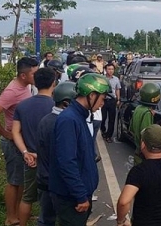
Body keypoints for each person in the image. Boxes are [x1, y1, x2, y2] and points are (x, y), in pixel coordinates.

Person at [48, 73, 111, 226]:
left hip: (77, 194)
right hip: (71, 198)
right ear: (92, 95)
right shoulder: (69, 120)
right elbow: (67, 162)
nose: (102, 103)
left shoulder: (80, 116)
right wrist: (80, 195)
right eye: (102, 98)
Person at [0, 57, 38, 226]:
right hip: (13, 142)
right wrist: (6, 134)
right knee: (14, 181)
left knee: (21, 180)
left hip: (21, 140)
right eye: (33, 73)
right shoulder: (12, 91)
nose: (36, 76)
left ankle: (18, 215)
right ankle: (10, 217)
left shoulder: (25, 86)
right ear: (23, 75)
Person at [12, 68, 56, 226]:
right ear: (54, 83)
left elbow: (15, 132)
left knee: (27, 198)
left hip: (31, 160)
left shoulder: (22, 106)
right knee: (53, 198)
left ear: (35, 83)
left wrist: (25, 152)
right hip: (51, 163)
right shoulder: (56, 107)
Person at [36, 82, 77, 226]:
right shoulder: (64, 123)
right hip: (56, 183)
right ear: (66, 104)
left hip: (44, 178)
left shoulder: (45, 120)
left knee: (45, 218)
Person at [130, 82, 161, 165]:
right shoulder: (147, 113)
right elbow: (147, 135)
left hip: (137, 148)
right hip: (144, 152)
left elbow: (131, 128)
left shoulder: (138, 108)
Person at [101, 63, 121, 143]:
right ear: (106, 70)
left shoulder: (116, 79)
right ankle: (103, 130)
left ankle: (109, 136)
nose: (111, 71)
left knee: (112, 119)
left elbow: (117, 89)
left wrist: (118, 99)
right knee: (103, 118)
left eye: (112, 69)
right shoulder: (102, 78)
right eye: (109, 69)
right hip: (103, 100)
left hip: (112, 100)